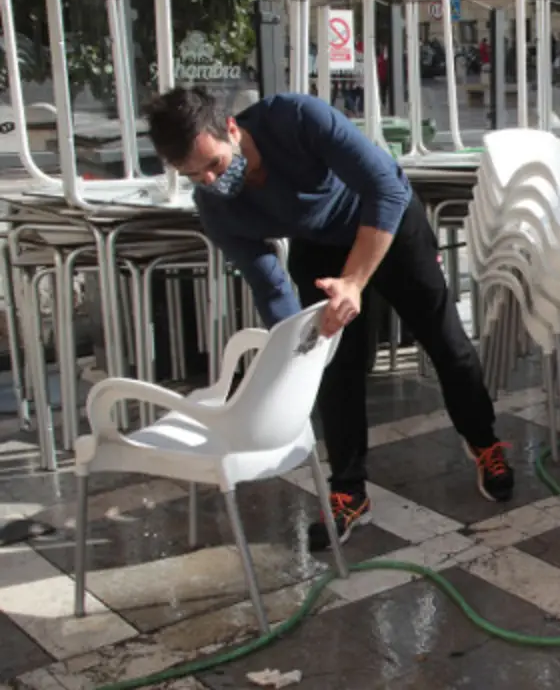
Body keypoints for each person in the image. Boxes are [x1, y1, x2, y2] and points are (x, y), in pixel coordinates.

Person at [143, 88, 514, 550]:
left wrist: (355, 281)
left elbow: (387, 187)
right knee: (336, 369)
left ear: (232, 130)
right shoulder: (216, 207)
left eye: (215, 163)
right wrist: (298, 352)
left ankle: (484, 442)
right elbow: (270, 286)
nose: (212, 181)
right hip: (319, 246)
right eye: (194, 176)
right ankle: (348, 491)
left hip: (386, 222)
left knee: (443, 339)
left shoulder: (295, 118)